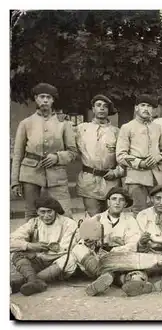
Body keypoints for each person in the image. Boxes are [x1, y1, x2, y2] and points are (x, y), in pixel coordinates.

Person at [67, 187, 153, 297]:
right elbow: (84, 239)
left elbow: (132, 243)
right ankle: (118, 279)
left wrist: (114, 250)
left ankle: (114, 278)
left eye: (121, 200)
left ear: (125, 204)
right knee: (78, 249)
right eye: (114, 199)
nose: (117, 203)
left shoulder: (130, 220)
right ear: (108, 202)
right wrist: (90, 243)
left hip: (121, 257)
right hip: (99, 259)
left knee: (136, 261)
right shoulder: (97, 218)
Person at [11, 83, 78, 220]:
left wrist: (58, 157)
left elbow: (73, 151)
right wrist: (15, 181)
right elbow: (18, 154)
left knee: (64, 212)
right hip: (30, 175)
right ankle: (31, 241)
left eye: (49, 97)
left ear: (53, 100)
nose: (45, 100)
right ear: (36, 99)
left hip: (57, 175)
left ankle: (64, 241)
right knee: (32, 213)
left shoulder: (63, 123)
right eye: (42, 97)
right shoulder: (26, 123)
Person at [116, 94, 162, 216]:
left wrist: (158, 157)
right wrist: (140, 163)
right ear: (136, 108)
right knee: (139, 211)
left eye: (149, 106)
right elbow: (121, 155)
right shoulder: (127, 127)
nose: (146, 109)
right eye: (143, 105)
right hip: (136, 177)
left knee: (159, 209)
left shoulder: (158, 127)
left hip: (156, 176)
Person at [10, 196, 79, 296]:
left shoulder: (69, 223)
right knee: (18, 253)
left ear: (55, 211)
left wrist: (41, 252)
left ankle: (28, 280)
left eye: (49, 211)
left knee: (72, 258)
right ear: (37, 212)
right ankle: (34, 281)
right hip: (40, 260)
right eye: (42, 212)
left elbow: (66, 249)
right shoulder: (34, 223)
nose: (46, 215)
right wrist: (30, 245)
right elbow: (10, 241)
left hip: (58, 262)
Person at [75, 94, 125, 217]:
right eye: (98, 105)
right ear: (93, 109)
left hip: (111, 181)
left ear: (108, 110)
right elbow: (71, 150)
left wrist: (117, 172)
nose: (102, 108)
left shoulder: (116, 132)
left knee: (112, 217)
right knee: (93, 218)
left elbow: (124, 157)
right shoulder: (81, 129)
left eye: (105, 106)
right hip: (89, 181)